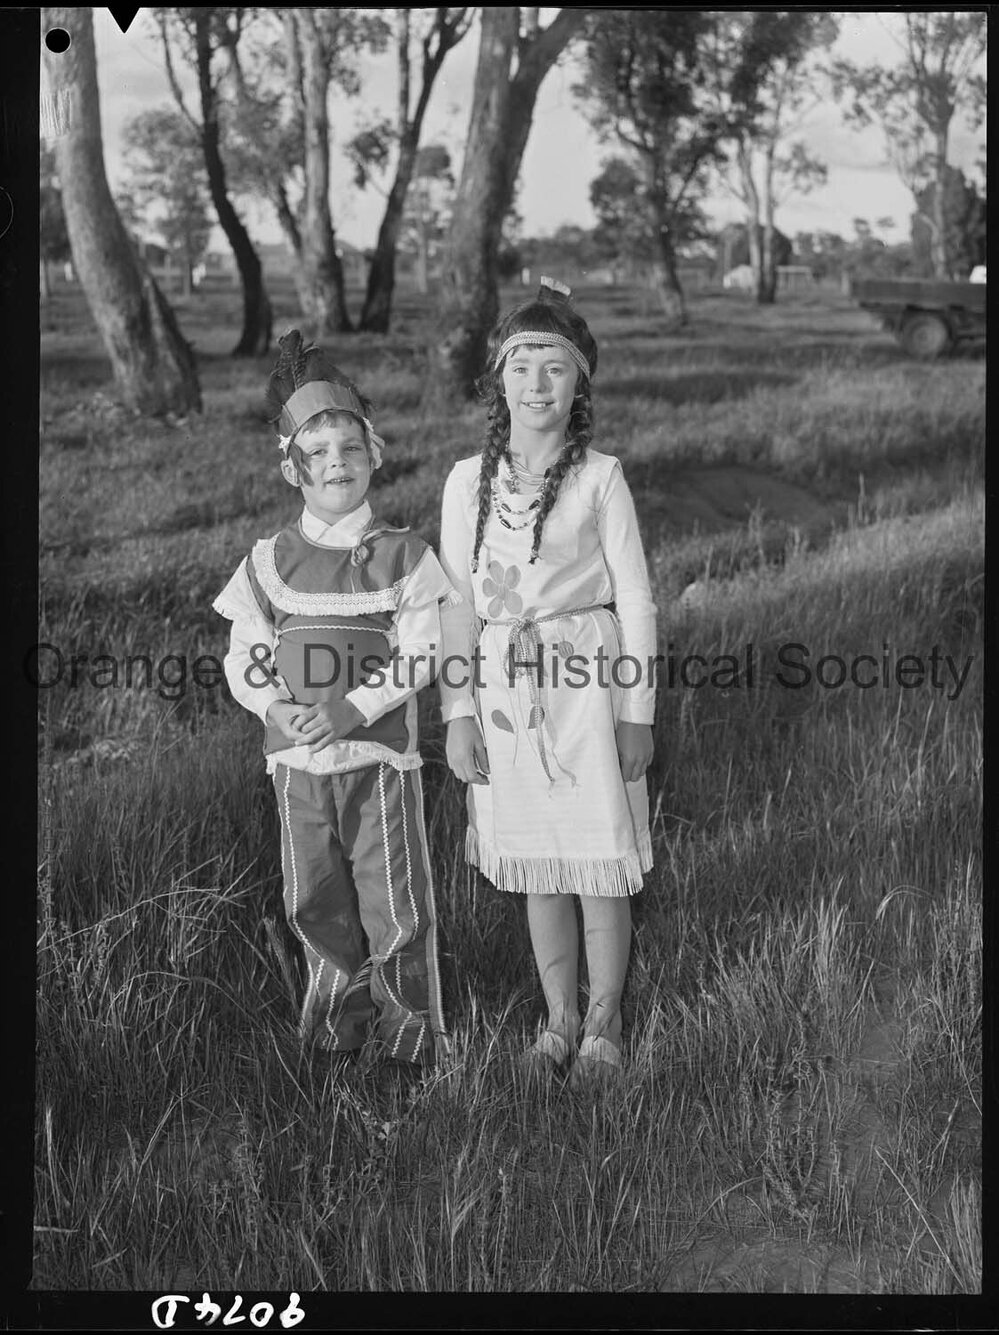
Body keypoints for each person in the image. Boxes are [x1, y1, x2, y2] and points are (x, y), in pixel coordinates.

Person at [213, 330, 453, 1069]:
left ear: (374, 455)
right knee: (313, 898)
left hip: (377, 760)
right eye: (317, 453)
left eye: (350, 448)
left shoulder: (404, 556)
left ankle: (408, 1039)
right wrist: (273, 707)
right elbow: (245, 656)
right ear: (293, 468)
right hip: (297, 764)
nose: (336, 463)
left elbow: (421, 653)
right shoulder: (268, 563)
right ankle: (332, 1030)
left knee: (394, 903)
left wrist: (352, 707)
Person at [438, 278, 657, 1086]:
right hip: (504, 693)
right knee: (537, 862)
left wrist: (636, 713)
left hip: (587, 687)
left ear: (579, 385)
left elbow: (635, 597)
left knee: (596, 858)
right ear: (497, 380)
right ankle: (558, 1016)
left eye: (554, 367)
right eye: (521, 365)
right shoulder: (467, 481)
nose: (537, 383)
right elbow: (455, 602)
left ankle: (605, 1019)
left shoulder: (599, 477)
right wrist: (458, 712)